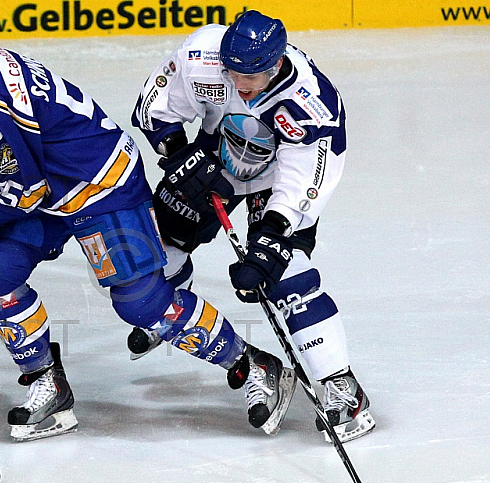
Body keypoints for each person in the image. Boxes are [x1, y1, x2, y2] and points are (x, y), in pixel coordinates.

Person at [0, 27, 297, 441]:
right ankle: (47, 381)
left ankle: (255, 364)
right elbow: (25, 173)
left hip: (102, 184)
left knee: (141, 302)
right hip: (51, 185)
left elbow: (24, 189)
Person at [130, 10, 375, 442]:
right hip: (214, 157)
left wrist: (272, 239)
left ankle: (341, 386)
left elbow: (302, 184)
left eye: (253, 75)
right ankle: (174, 303)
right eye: (233, 71)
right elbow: (156, 109)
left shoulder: (310, 104)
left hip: (277, 178)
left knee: (284, 276)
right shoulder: (203, 53)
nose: (240, 83)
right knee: (155, 251)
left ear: (277, 63)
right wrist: (180, 157)